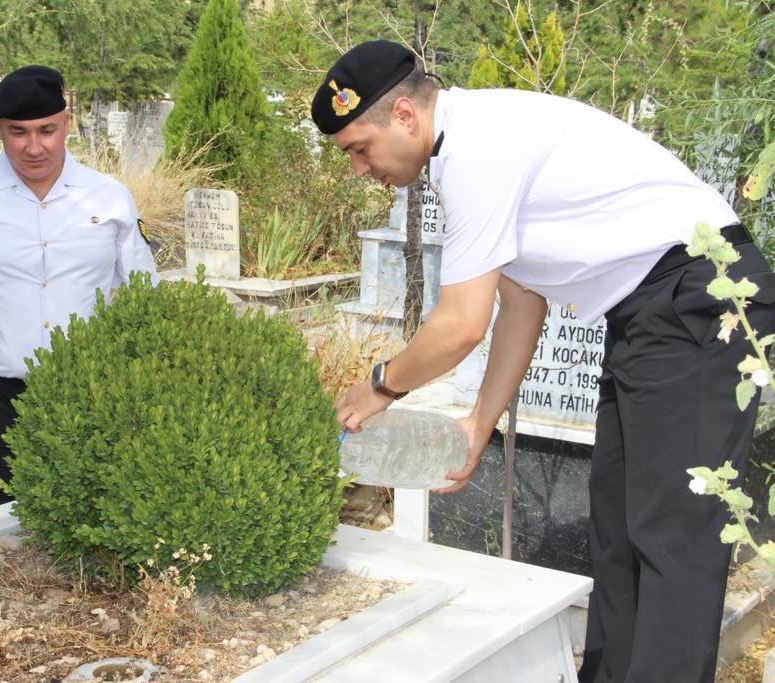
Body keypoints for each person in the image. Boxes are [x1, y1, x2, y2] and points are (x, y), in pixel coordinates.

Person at [312, 40, 775, 682]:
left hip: (701, 298)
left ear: (405, 117)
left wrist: (381, 386)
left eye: (359, 149)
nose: (360, 169)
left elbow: (461, 324)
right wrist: (480, 422)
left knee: (674, 536)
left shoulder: (478, 146)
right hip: (648, 312)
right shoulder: (461, 151)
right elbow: (519, 303)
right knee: (617, 526)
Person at [0, 65, 158, 514]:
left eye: (46, 130)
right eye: (17, 132)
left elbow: (144, 300)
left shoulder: (110, 198)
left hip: (89, 390)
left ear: (67, 122)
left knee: (90, 521)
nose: (33, 147)